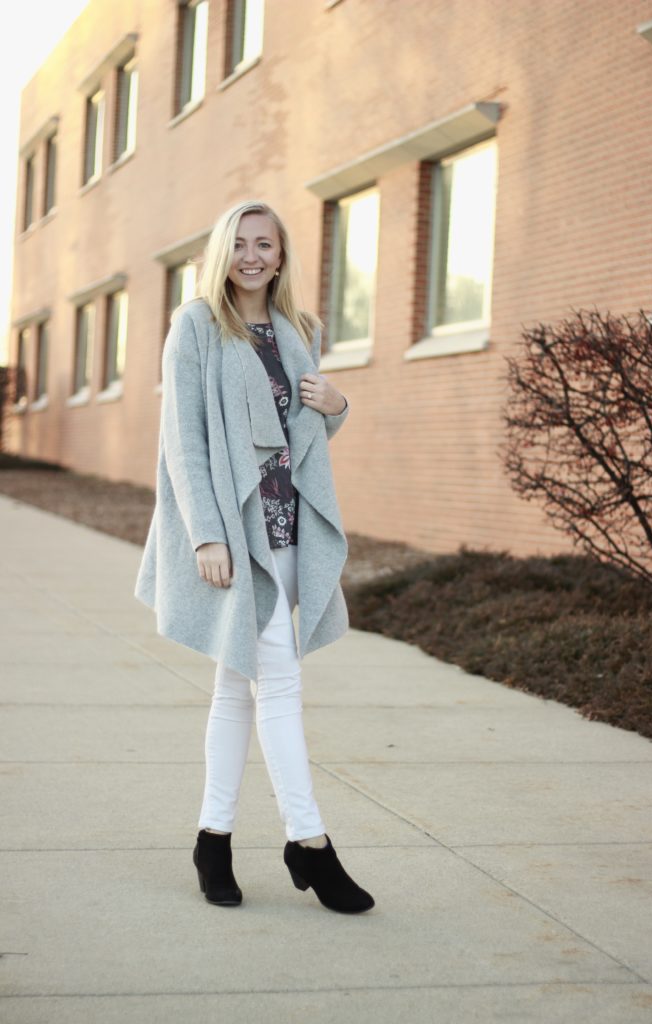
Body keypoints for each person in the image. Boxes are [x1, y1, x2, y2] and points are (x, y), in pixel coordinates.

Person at [134, 199, 375, 914]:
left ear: (281, 254)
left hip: (289, 530)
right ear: (220, 251)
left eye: (264, 244)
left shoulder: (302, 329)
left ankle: (213, 840)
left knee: (236, 685)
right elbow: (184, 439)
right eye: (238, 243)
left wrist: (336, 406)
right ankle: (309, 845)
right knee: (278, 682)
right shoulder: (198, 325)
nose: (251, 256)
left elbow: (299, 442)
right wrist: (206, 533)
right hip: (236, 538)